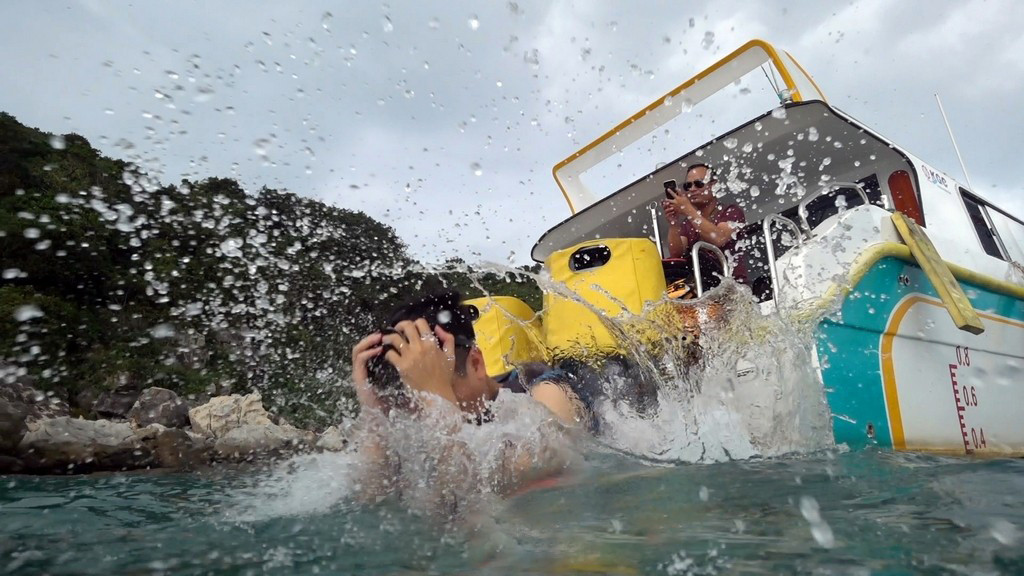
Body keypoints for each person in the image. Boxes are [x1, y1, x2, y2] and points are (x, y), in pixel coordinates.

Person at [348, 291, 587, 506]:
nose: (421, 412)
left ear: (476, 363)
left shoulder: (546, 393)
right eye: (412, 398)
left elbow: (463, 504)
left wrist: (438, 403)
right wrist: (374, 417)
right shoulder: (426, 424)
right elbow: (372, 504)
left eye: (433, 389)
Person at [663, 163, 748, 286]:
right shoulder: (688, 222)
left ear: (713, 185)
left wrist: (687, 209)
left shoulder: (731, 211)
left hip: (734, 288)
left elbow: (719, 238)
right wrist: (673, 223)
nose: (692, 189)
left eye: (698, 183)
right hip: (703, 291)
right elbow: (676, 254)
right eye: (688, 186)